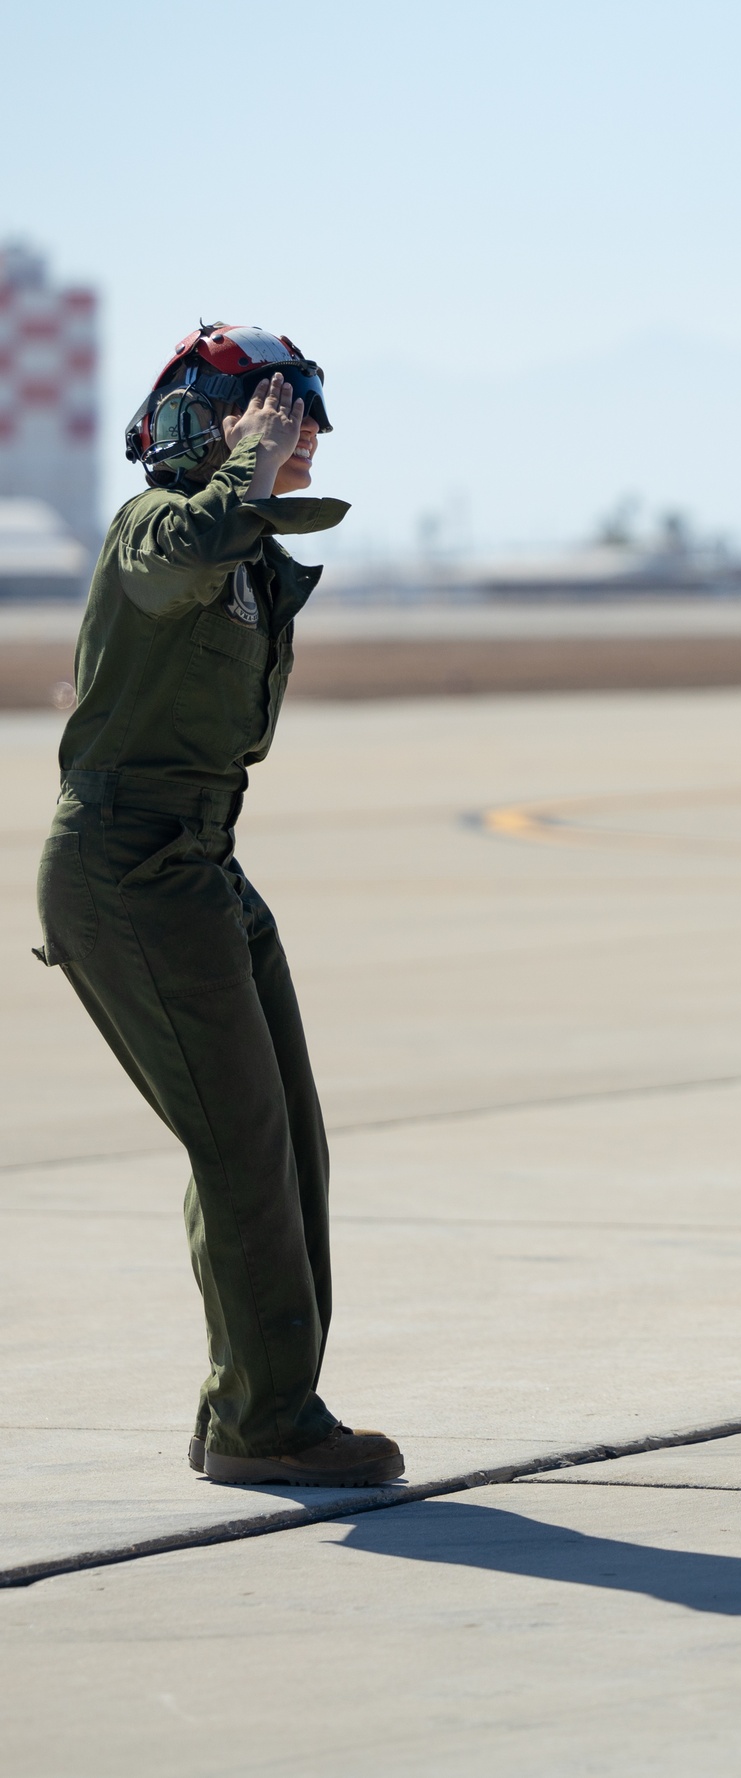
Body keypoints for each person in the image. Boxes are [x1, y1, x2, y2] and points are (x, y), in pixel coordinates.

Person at [34, 323, 404, 1488]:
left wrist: (252, 479)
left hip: (197, 865)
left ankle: (247, 1404)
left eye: (301, 423)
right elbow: (170, 553)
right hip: (128, 866)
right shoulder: (161, 527)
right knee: (241, 1145)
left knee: (284, 1141)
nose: (302, 441)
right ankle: (264, 1422)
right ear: (219, 419)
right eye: (280, 418)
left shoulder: (242, 555)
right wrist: (243, 464)